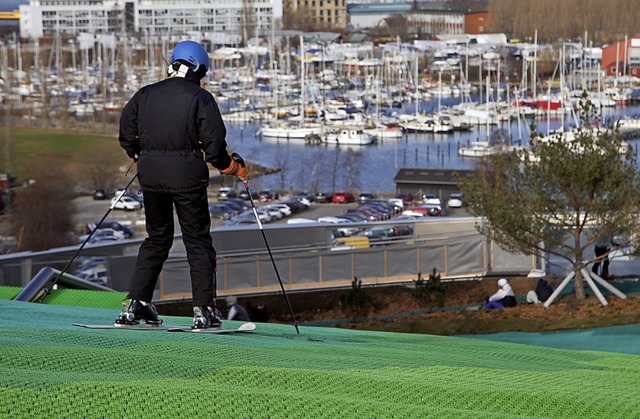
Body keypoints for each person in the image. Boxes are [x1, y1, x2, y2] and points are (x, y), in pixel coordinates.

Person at [115, 40, 248, 329]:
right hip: (187, 178)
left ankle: (135, 305)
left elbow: (126, 133)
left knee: (156, 239)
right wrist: (231, 166)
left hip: (151, 177)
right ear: (198, 69)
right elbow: (214, 148)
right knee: (197, 241)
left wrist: (138, 155)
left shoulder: (145, 94)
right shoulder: (200, 98)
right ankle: (204, 309)